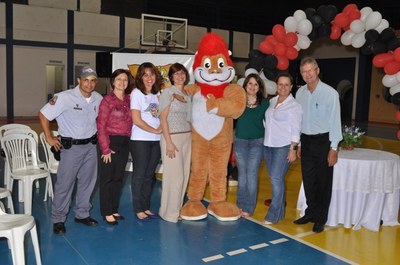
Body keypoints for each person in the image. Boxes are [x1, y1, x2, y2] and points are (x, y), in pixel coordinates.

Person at [39, 65, 103, 235]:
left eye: (93, 81)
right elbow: (43, 115)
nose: (89, 84)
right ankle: (58, 219)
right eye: (86, 80)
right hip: (71, 148)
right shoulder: (64, 98)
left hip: (90, 147)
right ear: (78, 80)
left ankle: (82, 214)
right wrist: (48, 137)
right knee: (65, 185)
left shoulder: (98, 98)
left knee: (87, 183)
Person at [294, 57, 342, 233]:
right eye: (304, 71)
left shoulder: (331, 94)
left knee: (323, 183)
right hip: (306, 142)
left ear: (317, 70)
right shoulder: (299, 94)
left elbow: (335, 122)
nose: (308, 74)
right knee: (309, 181)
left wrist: (334, 148)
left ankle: (321, 218)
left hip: (324, 142)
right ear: (301, 74)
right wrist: (299, 143)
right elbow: (299, 121)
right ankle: (311, 213)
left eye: (310, 70)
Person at [263, 73, 302, 225]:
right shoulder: (272, 101)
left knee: (276, 178)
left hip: (284, 146)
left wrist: (293, 148)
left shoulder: (295, 106)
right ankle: (280, 213)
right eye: (280, 84)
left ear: (291, 87)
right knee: (275, 179)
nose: (283, 87)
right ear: (277, 85)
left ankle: (272, 214)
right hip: (268, 146)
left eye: (287, 85)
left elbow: (296, 129)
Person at [97, 69, 133, 225]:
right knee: (107, 179)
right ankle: (106, 211)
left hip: (125, 142)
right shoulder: (107, 100)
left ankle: (114, 208)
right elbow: (100, 125)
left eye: (125, 79)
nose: (122, 82)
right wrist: (105, 148)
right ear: (113, 81)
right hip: (110, 142)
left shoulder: (130, 100)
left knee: (118, 178)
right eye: (119, 79)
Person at [158, 63, 192, 223]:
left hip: (187, 138)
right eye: (176, 74)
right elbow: (162, 119)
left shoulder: (187, 94)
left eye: (182, 73)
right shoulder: (167, 92)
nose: (180, 76)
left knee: (184, 177)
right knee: (175, 177)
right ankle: (169, 213)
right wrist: (169, 142)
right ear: (171, 77)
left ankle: (176, 209)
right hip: (172, 137)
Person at [130, 62, 163, 221]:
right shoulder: (137, 93)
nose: (149, 78)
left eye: (152, 74)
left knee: (150, 175)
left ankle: (146, 206)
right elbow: (136, 120)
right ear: (140, 77)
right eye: (145, 74)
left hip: (156, 140)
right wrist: (155, 130)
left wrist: (160, 131)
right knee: (139, 174)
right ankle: (138, 208)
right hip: (141, 140)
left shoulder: (158, 95)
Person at [233, 73, 269, 218]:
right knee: (242, 175)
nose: (253, 87)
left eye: (256, 84)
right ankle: (239, 205)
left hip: (257, 142)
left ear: (259, 87)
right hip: (240, 141)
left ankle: (248, 207)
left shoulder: (265, 103)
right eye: (250, 84)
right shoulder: (238, 101)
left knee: (252, 175)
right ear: (245, 86)